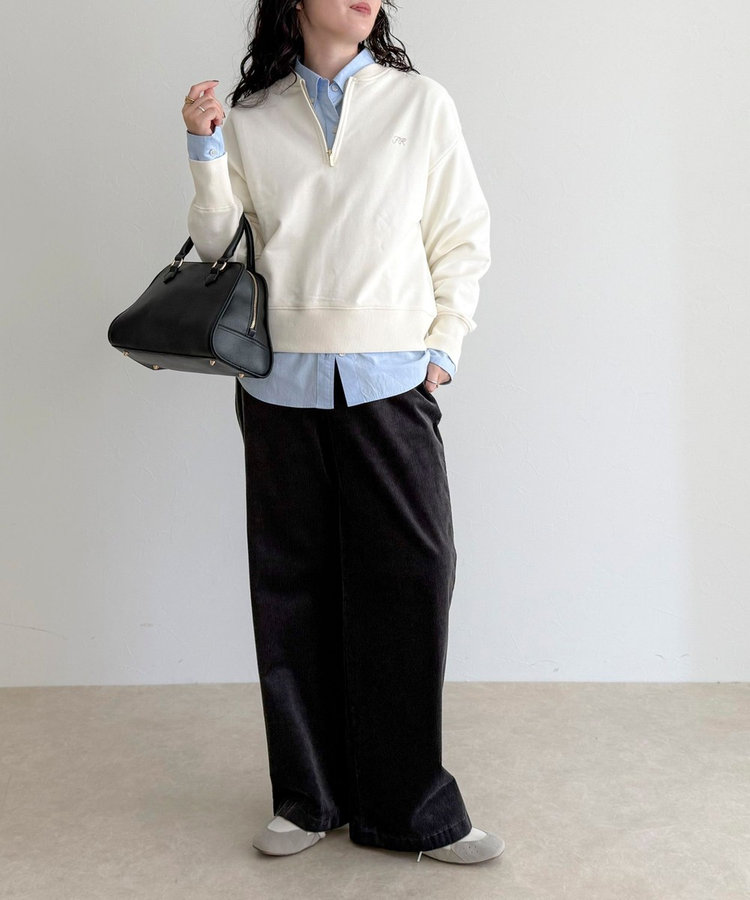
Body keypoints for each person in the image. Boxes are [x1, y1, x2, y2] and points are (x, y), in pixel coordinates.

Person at [182, 0, 502, 866]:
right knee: (292, 587)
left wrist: (444, 347)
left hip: (392, 377)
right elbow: (218, 247)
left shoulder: (419, 102)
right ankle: (309, 796)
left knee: (414, 577)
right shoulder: (253, 117)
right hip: (279, 383)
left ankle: (410, 806)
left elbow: (460, 235)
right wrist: (206, 149)